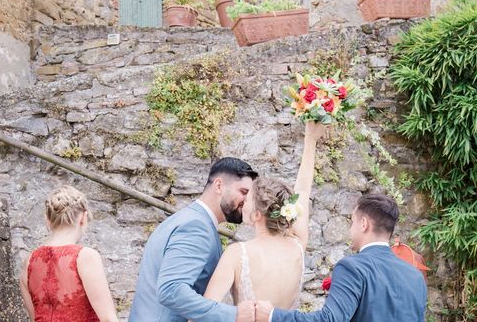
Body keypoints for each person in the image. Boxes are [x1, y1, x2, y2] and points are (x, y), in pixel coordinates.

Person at [204, 122, 325, 309]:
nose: (243, 203)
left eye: (248, 199)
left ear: (258, 215)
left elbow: (205, 310)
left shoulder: (237, 253)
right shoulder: (297, 245)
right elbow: (302, 191)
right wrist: (311, 139)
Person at [255, 193, 427, 322]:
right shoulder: (415, 276)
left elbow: (330, 319)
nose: (350, 230)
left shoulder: (353, 267)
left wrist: (273, 315)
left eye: (352, 222)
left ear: (364, 224)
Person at [128, 157, 258, 322]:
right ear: (219, 185)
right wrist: (234, 315)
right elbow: (171, 290)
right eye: (243, 192)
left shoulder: (185, 218)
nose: (247, 202)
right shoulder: (196, 227)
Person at [19, 185, 118, 322]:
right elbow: (108, 319)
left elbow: (34, 317)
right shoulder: (86, 257)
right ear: (83, 218)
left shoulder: (29, 262)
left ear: (47, 219)